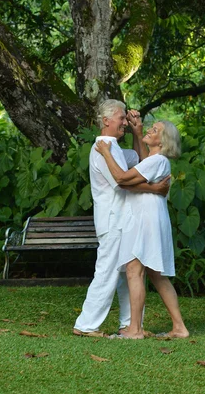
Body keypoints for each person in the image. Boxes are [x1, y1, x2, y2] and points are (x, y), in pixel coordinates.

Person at [73, 100, 170, 337]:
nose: (124, 123)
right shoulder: (102, 147)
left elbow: (140, 160)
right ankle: (86, 325)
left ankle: (131, 325)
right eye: (121, 118)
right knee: (106, 272)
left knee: (129, 275)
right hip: (112, 220)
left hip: (123, 221)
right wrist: (154, 189)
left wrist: (138, 132)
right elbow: (122, 181)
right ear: (106, 121)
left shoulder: (114, 147)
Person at [95, 120, 189, 340]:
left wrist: (106, 152)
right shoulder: (156, 161)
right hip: (151, 217)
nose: (150, 130)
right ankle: (179, 327)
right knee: (157, 275)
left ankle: (134, 329)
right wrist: (137, 133)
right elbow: (141, 163)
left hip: (145, 220)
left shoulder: (157, 160)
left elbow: (121, 178)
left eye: (154, 131)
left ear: (163, 141)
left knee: (133, 270)